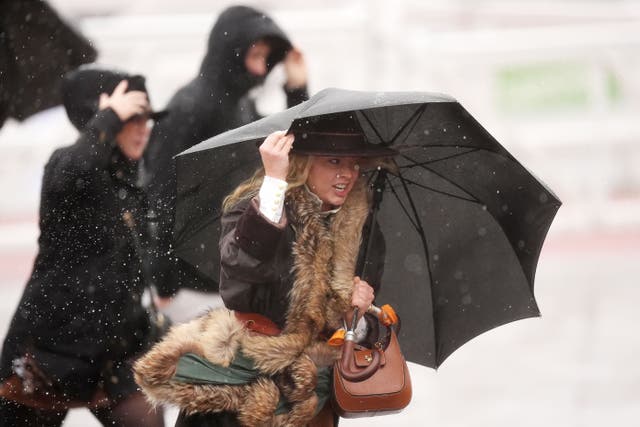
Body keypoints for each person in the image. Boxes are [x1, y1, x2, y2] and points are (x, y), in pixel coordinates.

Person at [133, 116, 397, 426]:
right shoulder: (257, 207)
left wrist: (358, 318)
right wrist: (275, 181)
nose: (347, 174)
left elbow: (369, 332)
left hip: (308, 399)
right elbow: (238, 280)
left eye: (354, 164)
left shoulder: (364, 233)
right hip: (237, 382)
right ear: (302, 162)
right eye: (334, 161)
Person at [0, 67, 166, 427]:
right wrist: (107, 118)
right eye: (132, 118)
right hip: (49, 350)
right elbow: (75, 168)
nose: (143, 128)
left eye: (147, 118)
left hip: (115, 350)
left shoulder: (130, 180)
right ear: (100, 116)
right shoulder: (66, 165)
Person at [145, 5, 309, 298]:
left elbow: (285, 143)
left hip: (227, 275)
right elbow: (160, 196)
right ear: (231, 50)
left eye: (265, 59)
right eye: (256, 55)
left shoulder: (241, 105)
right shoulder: (189, 107)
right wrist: (165, 284)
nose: (261, 69)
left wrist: (296, 88)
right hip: (188, 286)